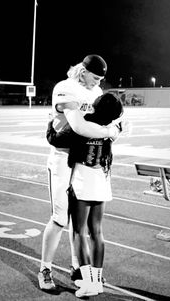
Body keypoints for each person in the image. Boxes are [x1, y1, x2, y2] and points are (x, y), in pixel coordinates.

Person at [38, 54, 121, 291]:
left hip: (83, 162)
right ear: (83, 71)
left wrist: (114, 128)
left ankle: (79, 269)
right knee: (60, 217)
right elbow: (79, 126)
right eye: (94, 77)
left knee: (79, 222)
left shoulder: (96, 93)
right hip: (63, 158)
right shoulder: (65, 88)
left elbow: (110, 119)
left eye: (101, 79)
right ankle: (45, 268)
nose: (97, 83)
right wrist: (111, 132)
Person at [65, 93, 124, 298]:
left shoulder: (83, 125)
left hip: (82, 180)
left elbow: (56, 138)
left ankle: (88, 282)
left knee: (79, 232)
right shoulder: (113, 130)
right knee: (97, 232)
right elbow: (118, 127)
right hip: (102, 180)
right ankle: (97, 281)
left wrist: (50, 122)